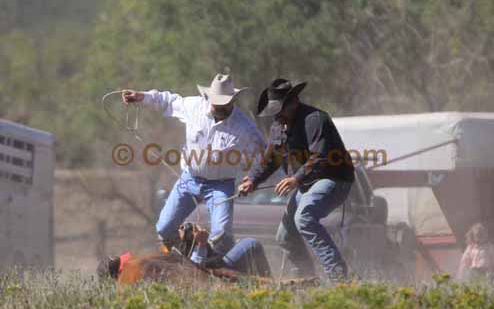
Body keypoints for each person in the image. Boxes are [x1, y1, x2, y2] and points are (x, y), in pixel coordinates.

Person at [122, 73, 266, 265]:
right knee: (164, 228)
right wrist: (142, 96)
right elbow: (168, 101)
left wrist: (252, 179)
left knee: (221, 235)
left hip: (220, 186)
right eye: (217, 102)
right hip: (189, 179)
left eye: (224, 103)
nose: (220, 107)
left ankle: (222, 267)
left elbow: (264, 154)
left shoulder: (244, 127)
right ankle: (187, 260)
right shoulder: (194, 107)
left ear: (232, 101)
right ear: (209, 99)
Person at [238, 78, 355, 280]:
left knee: (305, 218)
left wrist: (296, 179)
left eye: (280, 110)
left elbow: (321, 156)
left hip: (333, 179)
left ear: (293, 102)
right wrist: (253, 180)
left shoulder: (315, 119)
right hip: (307, 183)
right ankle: (305, 277)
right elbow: (270, 159)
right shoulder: (278, 127)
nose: (277, 116)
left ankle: (338, 275)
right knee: (284, 236)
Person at [97, 222, 271, 283]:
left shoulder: (144, 274)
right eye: (125, 260)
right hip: (213, 269)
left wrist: (187, 239)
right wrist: (200, 243)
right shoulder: (143, 268)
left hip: (204, 267)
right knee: (251, 244)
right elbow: (192, 269)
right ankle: (269, 283)